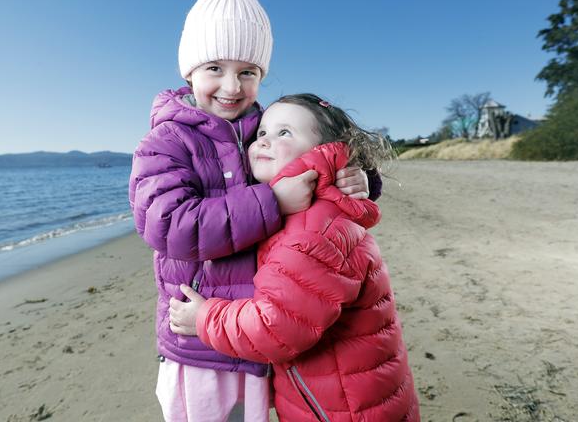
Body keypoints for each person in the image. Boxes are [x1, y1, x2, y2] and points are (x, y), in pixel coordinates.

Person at [129, 0, 375, 422]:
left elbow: (312, 158)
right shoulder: (165, 142)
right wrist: (272, 203)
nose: (230, 86)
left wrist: (360, 180)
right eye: (214, 68)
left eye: (248, 71)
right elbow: (169, 227)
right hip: (197, 336)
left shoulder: (262, 130)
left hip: (258, 330)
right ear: (189, 70)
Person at [169, 94, 421, 421]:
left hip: (342, 410)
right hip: (344, 398)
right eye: (261, 134)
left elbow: (277, 328)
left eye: (284, 133)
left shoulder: (312, 231)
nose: (264, 141)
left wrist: (204, 318)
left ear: (323, 149)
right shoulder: (311, 213)